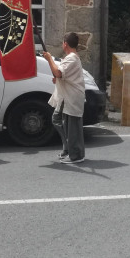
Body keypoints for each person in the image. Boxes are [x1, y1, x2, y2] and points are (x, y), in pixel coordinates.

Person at [42, 32, 86, 165]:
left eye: (62, 42)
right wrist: (58, 78)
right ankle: (68, 148)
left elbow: (58, 72)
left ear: (65, 44)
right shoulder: (70, 57)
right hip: (66, 96)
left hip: (71, 97)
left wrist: (49, 59)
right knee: (58, 120)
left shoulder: (72, 58)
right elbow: (61, 75)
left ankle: (76, 155)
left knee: (72, 127)